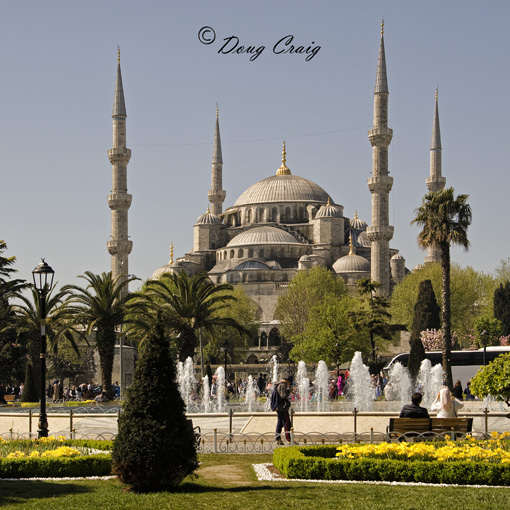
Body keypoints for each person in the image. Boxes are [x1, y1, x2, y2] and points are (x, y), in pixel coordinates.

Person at [274, 375, 293, 445]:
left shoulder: (278, 384)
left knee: (280, 423)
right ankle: (289, 440)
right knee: (286, 423)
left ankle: (278, 439)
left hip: (279, 407)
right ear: (288, 381)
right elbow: (283, 396)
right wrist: (289, 391)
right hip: (282, 408)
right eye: (289, 383)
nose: (289, 385)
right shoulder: (283, 385)